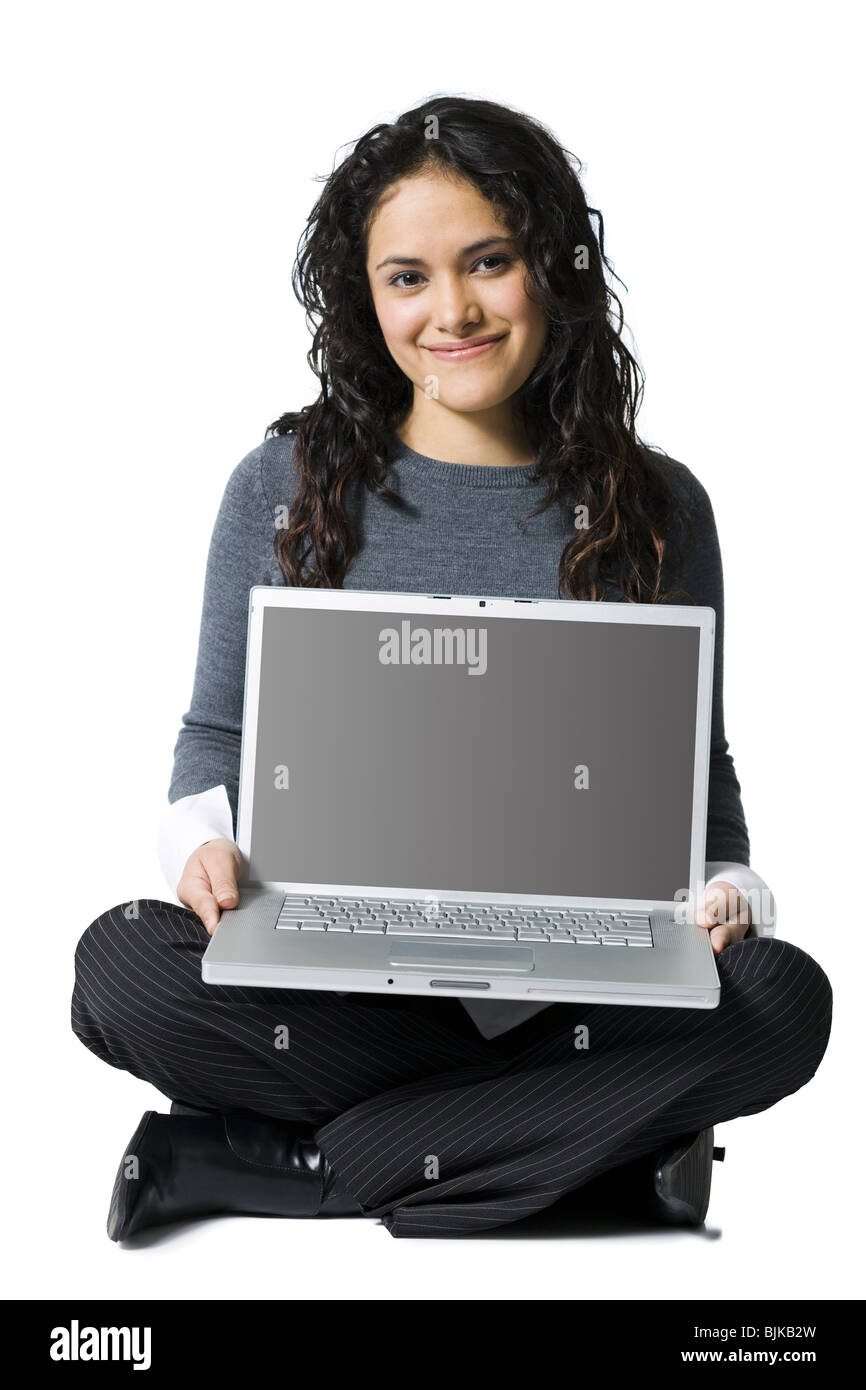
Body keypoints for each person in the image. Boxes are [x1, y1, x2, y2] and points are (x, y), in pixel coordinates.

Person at [71, 95, 832, 1241]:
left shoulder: (658, 506)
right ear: (363, 295)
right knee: (121, 960)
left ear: (552, 269)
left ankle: (293, 1163)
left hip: (570, 987)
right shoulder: (279, 485)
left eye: (489, 261)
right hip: (337, 974)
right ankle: (587, 1157)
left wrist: (730, 887)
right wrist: (203, 851)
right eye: (407, 277)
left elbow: (697, 769)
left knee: (781, 999)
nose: (452, 312)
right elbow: (213, 740)